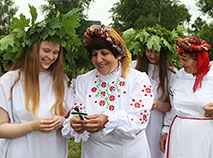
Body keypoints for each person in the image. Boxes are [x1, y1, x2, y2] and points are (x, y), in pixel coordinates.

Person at [62, 24, 154, 158]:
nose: (98, 60)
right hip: (93, 152)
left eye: (104, 53)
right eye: (94, 54)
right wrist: (75, 122)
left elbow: (138, 120)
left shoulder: (138, 79)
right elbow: (78, 110)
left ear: (118, 55)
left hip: (128, 152)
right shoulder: (84, 80)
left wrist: (107, 120)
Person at [0, 6, 78, 158]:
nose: (51, 56)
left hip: (53, 152)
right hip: (20, 153)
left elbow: (72, 119)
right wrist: (33, 126)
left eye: (55, 52)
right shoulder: (9, 81)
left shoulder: (62, 81)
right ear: (33, 50)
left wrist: (62, 121)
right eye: (46, 50)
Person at [125, 26, 178, 158]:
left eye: (157, 51)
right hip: (133, 118)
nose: (153, 56)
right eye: (149, 51)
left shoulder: (171, 72)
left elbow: (171, 106)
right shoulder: (131, 68)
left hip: (156, 122)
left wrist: (156, 104)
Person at [160, 37, 213, 158]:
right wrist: (166, 131)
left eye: (185, 60)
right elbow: (173, 108)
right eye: (180, 59)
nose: (181, 64)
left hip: (205, 135)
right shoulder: (179, 76)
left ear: (199, 60)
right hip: (179, 134)